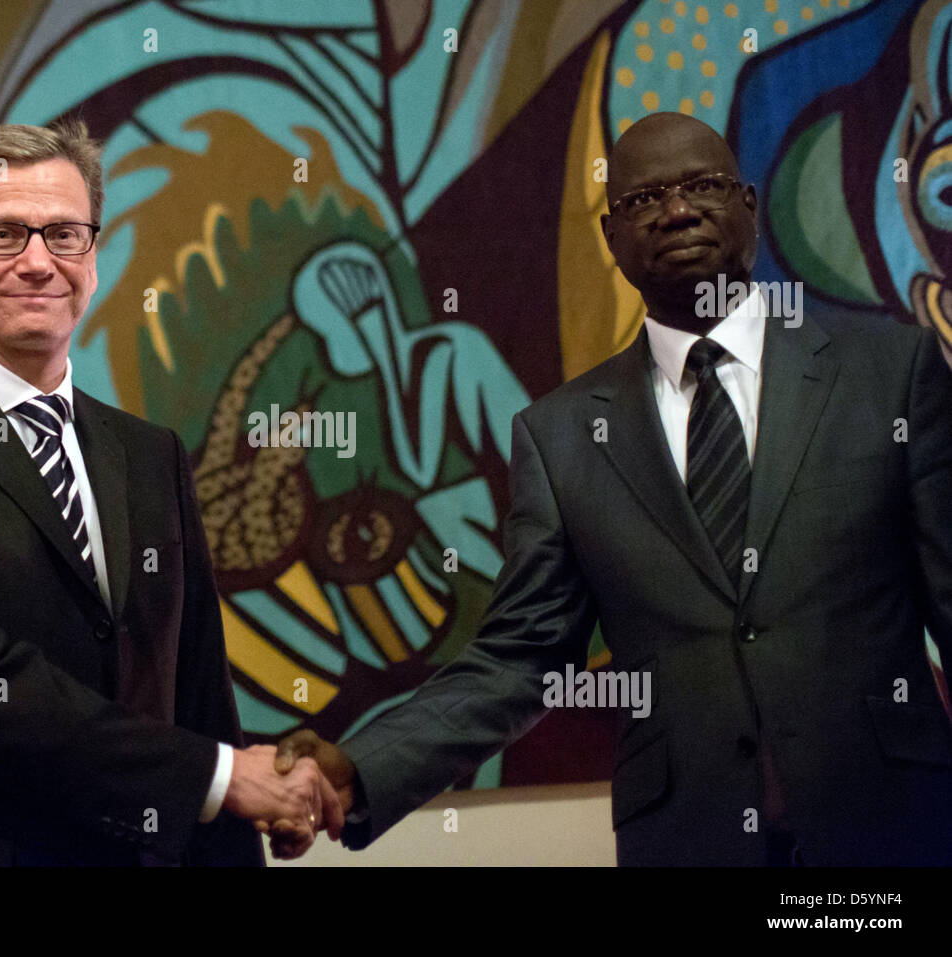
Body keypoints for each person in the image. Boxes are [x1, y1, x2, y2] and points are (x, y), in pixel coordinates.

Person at [273, 112, 952, 865]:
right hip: (687, 841)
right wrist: (357, 767)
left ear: (750, 205)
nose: (678, 209)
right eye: (644, 199)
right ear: (610, 237)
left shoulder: (890, 375)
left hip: (892, 834)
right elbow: (519, 659)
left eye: (703, 185)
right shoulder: (560, 436)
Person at [0, 120, 341, 866]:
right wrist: (219, 779)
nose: (36, 261)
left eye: (63, 234)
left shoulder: (151, 455)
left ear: (93, 254)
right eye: (3, 234)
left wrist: (237, 798)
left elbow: (200, 701)